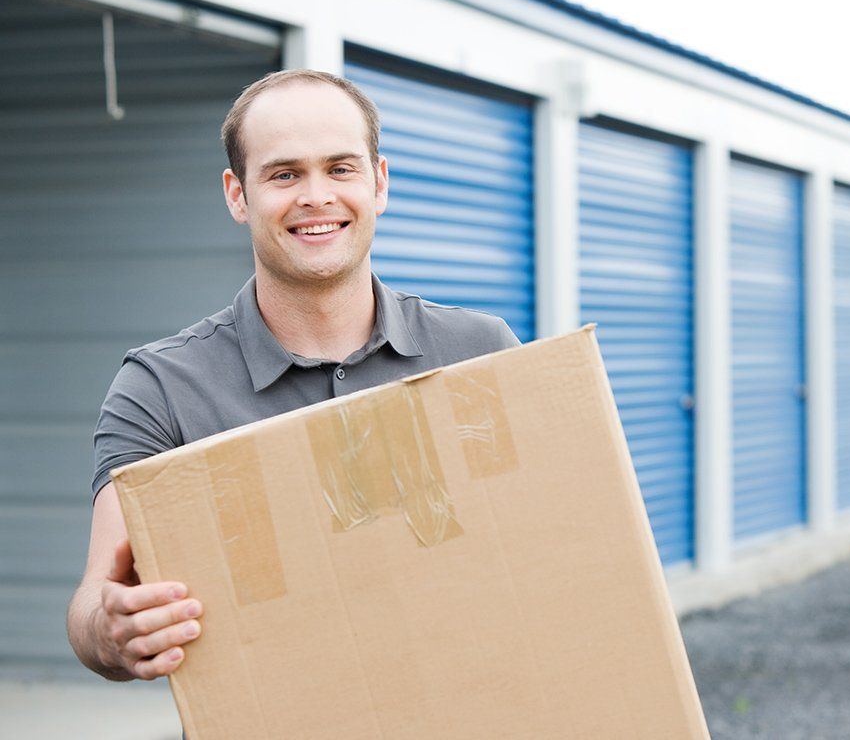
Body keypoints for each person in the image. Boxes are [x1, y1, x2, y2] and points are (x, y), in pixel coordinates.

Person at [65, 69, 519, 681]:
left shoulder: (481, 353)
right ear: (237, 194)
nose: (316, 196)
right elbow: (95, 600)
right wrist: (113, 630)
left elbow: (546, 542)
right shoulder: (163, 388)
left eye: (341, 168)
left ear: (379, 182)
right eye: (284, 174)